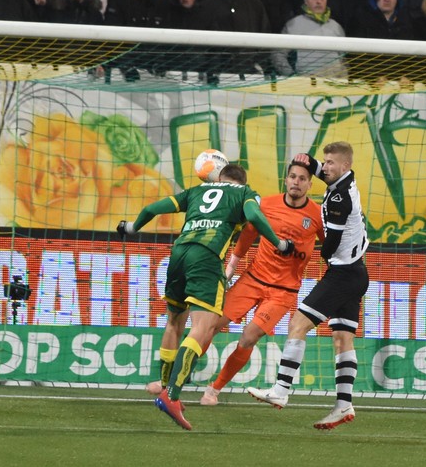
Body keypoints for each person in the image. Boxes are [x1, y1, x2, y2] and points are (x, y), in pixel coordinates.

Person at [117, 163, 295, 430]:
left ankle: (166, 385)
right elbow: (255, 217)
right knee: (203, 326)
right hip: (206, 257)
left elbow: (153, 209)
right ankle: (172, 395)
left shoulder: (197, 190)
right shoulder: (244, 192)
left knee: (174, 322)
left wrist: (132, 227)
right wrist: (279, 243)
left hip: (178, 254)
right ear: (240, 181)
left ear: (219, 177)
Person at [248, 142, 370, 430]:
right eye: (324, 162)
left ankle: (281, 390)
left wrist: (317, 253)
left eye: (330, 163)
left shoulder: (340, 198)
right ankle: (343, 405)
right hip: (357, 272)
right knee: (342, 339)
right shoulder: (344, 180)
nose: (324, 167)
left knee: (298, 324)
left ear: (345, 166)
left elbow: (332, 244)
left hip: (342, 274)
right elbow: (319, 171)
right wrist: (309, 161)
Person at [197, 161, 324, 406]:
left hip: (283, 292)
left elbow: (328, 247)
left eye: (302, 178)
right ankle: (174, 380)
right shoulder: (266, 204)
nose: (296, 182)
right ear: (286, 180)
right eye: (292, 177)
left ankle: (214, 390)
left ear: (309, 184)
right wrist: (232, 266)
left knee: (248, 337)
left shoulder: (317, 215)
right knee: (209, 325)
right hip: (253, 279)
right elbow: (248, 234)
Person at [272, 0, 346, 77]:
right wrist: (291, 76)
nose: (318, 1)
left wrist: (344, 82)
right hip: (305, 86)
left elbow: (343, 61)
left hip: (334, 86)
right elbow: (278, 54)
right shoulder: (293, 25)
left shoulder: (336, 27)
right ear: (306, 1)